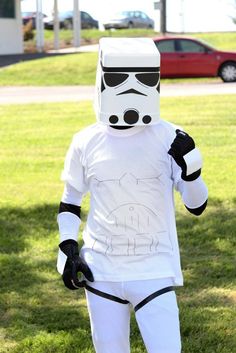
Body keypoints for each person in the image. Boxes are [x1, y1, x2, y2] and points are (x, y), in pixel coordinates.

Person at [57, 38, 208, 353]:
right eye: (118, 77)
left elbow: (196, 206)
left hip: (153, 272)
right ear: (102, 78)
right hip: (102, 273)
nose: (132, 87)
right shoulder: (86, 140)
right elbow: (70, 200)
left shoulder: (170, 137)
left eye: (144, 78)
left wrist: (192, 170)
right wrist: (67, 249)